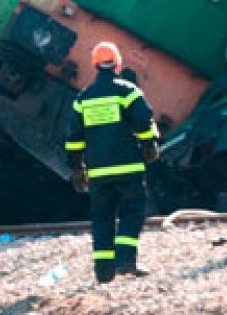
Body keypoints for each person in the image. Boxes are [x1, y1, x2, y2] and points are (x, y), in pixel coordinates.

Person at [65, 41, 159, 283]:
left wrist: (77, 169)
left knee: (102, 219)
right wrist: (150, 146)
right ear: (117, 65)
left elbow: (74, 138)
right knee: (132, 212)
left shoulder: (83, 99)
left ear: (95, 66)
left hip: (98, 173)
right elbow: (143, 123)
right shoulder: (128, 91)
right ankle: (126, 261)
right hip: (129, 168)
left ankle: (104, 272)